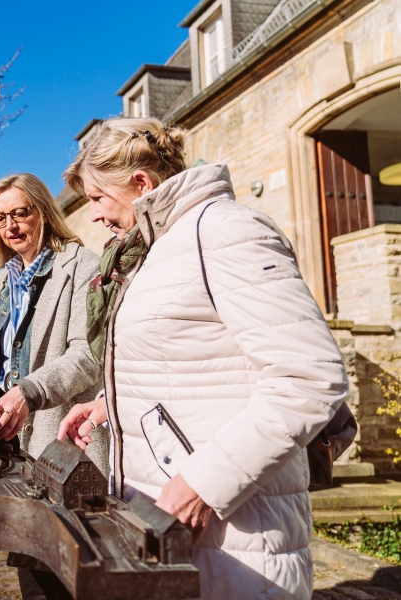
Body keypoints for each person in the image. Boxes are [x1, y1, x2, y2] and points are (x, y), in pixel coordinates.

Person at [57, 117, 348, 600]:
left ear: (141, 184)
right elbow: (193, 358)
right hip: (180, 531)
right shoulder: (159, 248)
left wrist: (203, 485)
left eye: (96, 198)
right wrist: (111, 402)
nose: (92, 216)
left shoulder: (226, 230)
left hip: (238, 539)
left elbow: (308, 377)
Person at [0, 172, 105, 600]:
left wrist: (28, 391)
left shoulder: (81, 265)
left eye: (19, 213)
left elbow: (87, 355)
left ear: (44, 214)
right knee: (30, 569)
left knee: (68, 571)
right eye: (0, 219)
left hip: (59, 438)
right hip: (11, 442)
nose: (10, 226)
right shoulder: (6, 277)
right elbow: (2, 348)